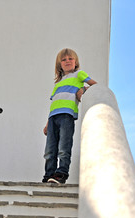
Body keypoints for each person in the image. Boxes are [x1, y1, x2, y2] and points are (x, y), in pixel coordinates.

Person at [42, 48, 97, 184]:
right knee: (49, 150)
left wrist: (83, 89)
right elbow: (54, 103)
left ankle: (61, 173)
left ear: (75, 62)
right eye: (64, 59)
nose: (67, 61)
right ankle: (48, 175)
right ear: (59, 64)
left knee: (63, 147)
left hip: (67, 116)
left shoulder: (79, 74)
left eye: (70, 59)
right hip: (53, 117)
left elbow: (95, 86)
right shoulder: (58, 84)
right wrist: (47, 124)